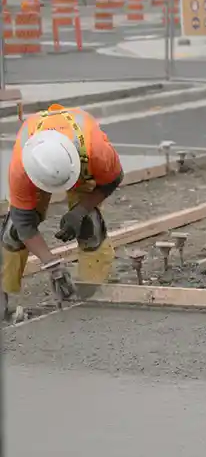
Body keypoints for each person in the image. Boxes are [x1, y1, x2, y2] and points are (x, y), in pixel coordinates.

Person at [1, 104, 124, 318]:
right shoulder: (22, 168)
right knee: (12, 233)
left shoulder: (97, 152)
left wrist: (81, 210)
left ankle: (91, 296)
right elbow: (23, 223)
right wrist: (52, 265)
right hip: (40, 171)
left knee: (90, 226)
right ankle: (4, 298)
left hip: (82, 168)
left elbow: (114, 179)